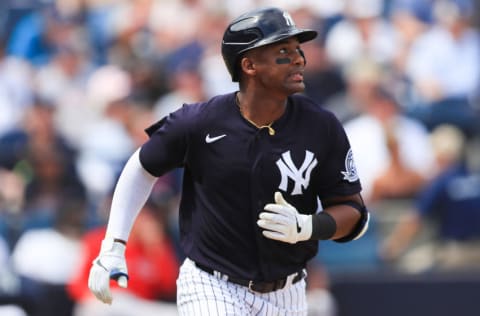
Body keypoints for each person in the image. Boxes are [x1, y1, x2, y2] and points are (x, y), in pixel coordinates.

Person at [87, 7, 370, 315]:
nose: (299, 59)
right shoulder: (199, 122)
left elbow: (354, 213)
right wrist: (113, 245)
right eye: (283, 52)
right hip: (212, 284)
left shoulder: (321, 125)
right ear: (249, 64)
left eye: (298, 50)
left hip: (288, 292)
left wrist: (308, 225)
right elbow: (141, 168)